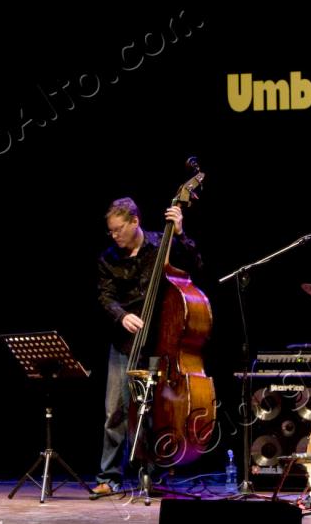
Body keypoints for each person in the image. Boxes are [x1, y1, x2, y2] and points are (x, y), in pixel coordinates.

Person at [91, 197, 203, 497]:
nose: (114, 235)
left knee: (157, 413)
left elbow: (195, 265)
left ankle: (154, 476)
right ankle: (109, 477)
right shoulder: (108, 257)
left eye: (118, 229)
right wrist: (121, 315)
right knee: (115, 411)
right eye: (111, 231)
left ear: (135, 222)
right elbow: (104, 296)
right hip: (125, 342)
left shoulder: (162, 244)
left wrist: (180, 233)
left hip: (161, 342)